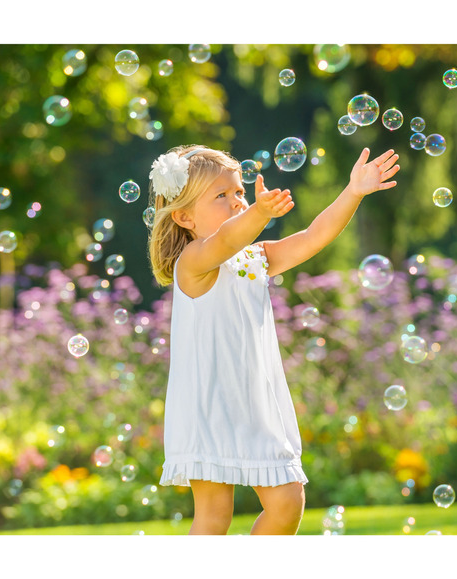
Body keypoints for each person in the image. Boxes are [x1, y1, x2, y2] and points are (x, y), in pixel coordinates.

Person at [147, 144, 399, 535]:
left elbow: (314, 236)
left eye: (239, 193)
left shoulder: (254, 258)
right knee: (215, 515)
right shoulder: (194, 262)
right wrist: (259, 213)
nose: (236, 202)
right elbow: (227, 240)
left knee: (287, 501)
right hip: (208, 402)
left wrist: (354, 192)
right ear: (184, 217)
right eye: (221, 196)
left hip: (253, 402)